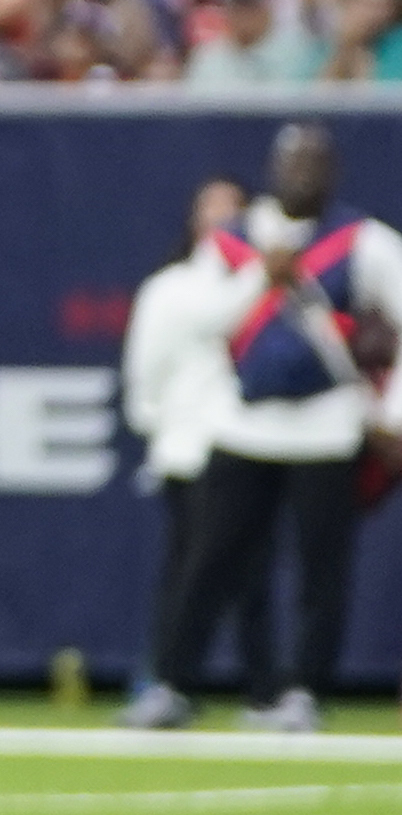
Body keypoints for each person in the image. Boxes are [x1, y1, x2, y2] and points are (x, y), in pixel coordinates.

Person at [137, 124, 402, 734]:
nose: (302, 175)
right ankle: (173, 683)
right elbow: (204, 320)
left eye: (315, 164)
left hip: (327, 423)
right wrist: (264, 276)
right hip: (242, 423)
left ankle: (304, 690)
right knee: (211, 559)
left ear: (334, 173)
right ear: (271, 169)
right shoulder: (232, 243)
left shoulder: (364, 242)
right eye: (292, 163)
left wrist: (389, 416)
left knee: (320, 567)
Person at [120, 177, 266, 721]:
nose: (222, 221)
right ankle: (162, 681)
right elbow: (145, 369)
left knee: (252, 576)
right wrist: (157, 429)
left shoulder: (275, 286)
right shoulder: (173, 288)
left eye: (234, 210)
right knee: (189, 573)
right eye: (211, 210)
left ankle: (267, 691)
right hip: (188, 453)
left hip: (253, 446)